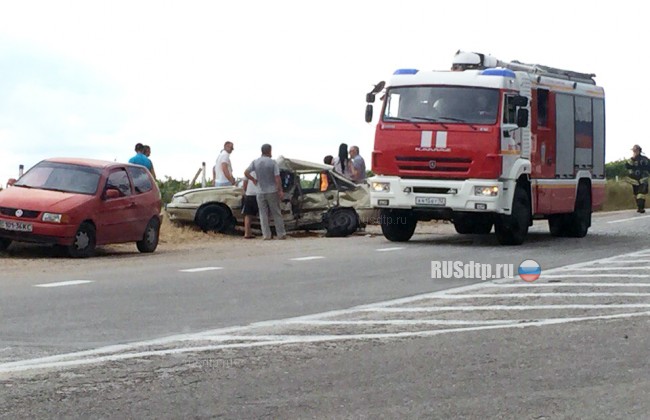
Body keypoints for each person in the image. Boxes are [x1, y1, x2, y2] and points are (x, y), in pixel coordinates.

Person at [244, 144, 286, 240]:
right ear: (269, 151)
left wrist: (253, 179)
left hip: (260, 191)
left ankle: (266, 235)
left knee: (263, 214)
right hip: (272, 190)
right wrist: (280, 190)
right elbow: (277, 177)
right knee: (276, 212)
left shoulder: (255, 162)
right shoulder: (273, 163)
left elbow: (246, 172)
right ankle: (281, 234)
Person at [625, 144, 650, 213]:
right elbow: (627, 166)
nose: (634, 152)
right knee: (636, 194)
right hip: (634, 180)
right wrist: (633, 158)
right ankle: (640, 207)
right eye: (633, 150)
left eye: (635, 150)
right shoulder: (631, 159)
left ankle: (640, 208)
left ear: (639, 151)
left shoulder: (645, 159)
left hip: (643, 179)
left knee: (641, 194)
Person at [242, 170, 259, 239]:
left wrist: (246, 191)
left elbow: (245, 183)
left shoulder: (250, 170)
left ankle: (247, 233)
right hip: (260, 193)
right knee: (264, 213)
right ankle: (266, 232)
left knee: (248, 214)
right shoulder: (264, 169)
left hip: (250, 193)